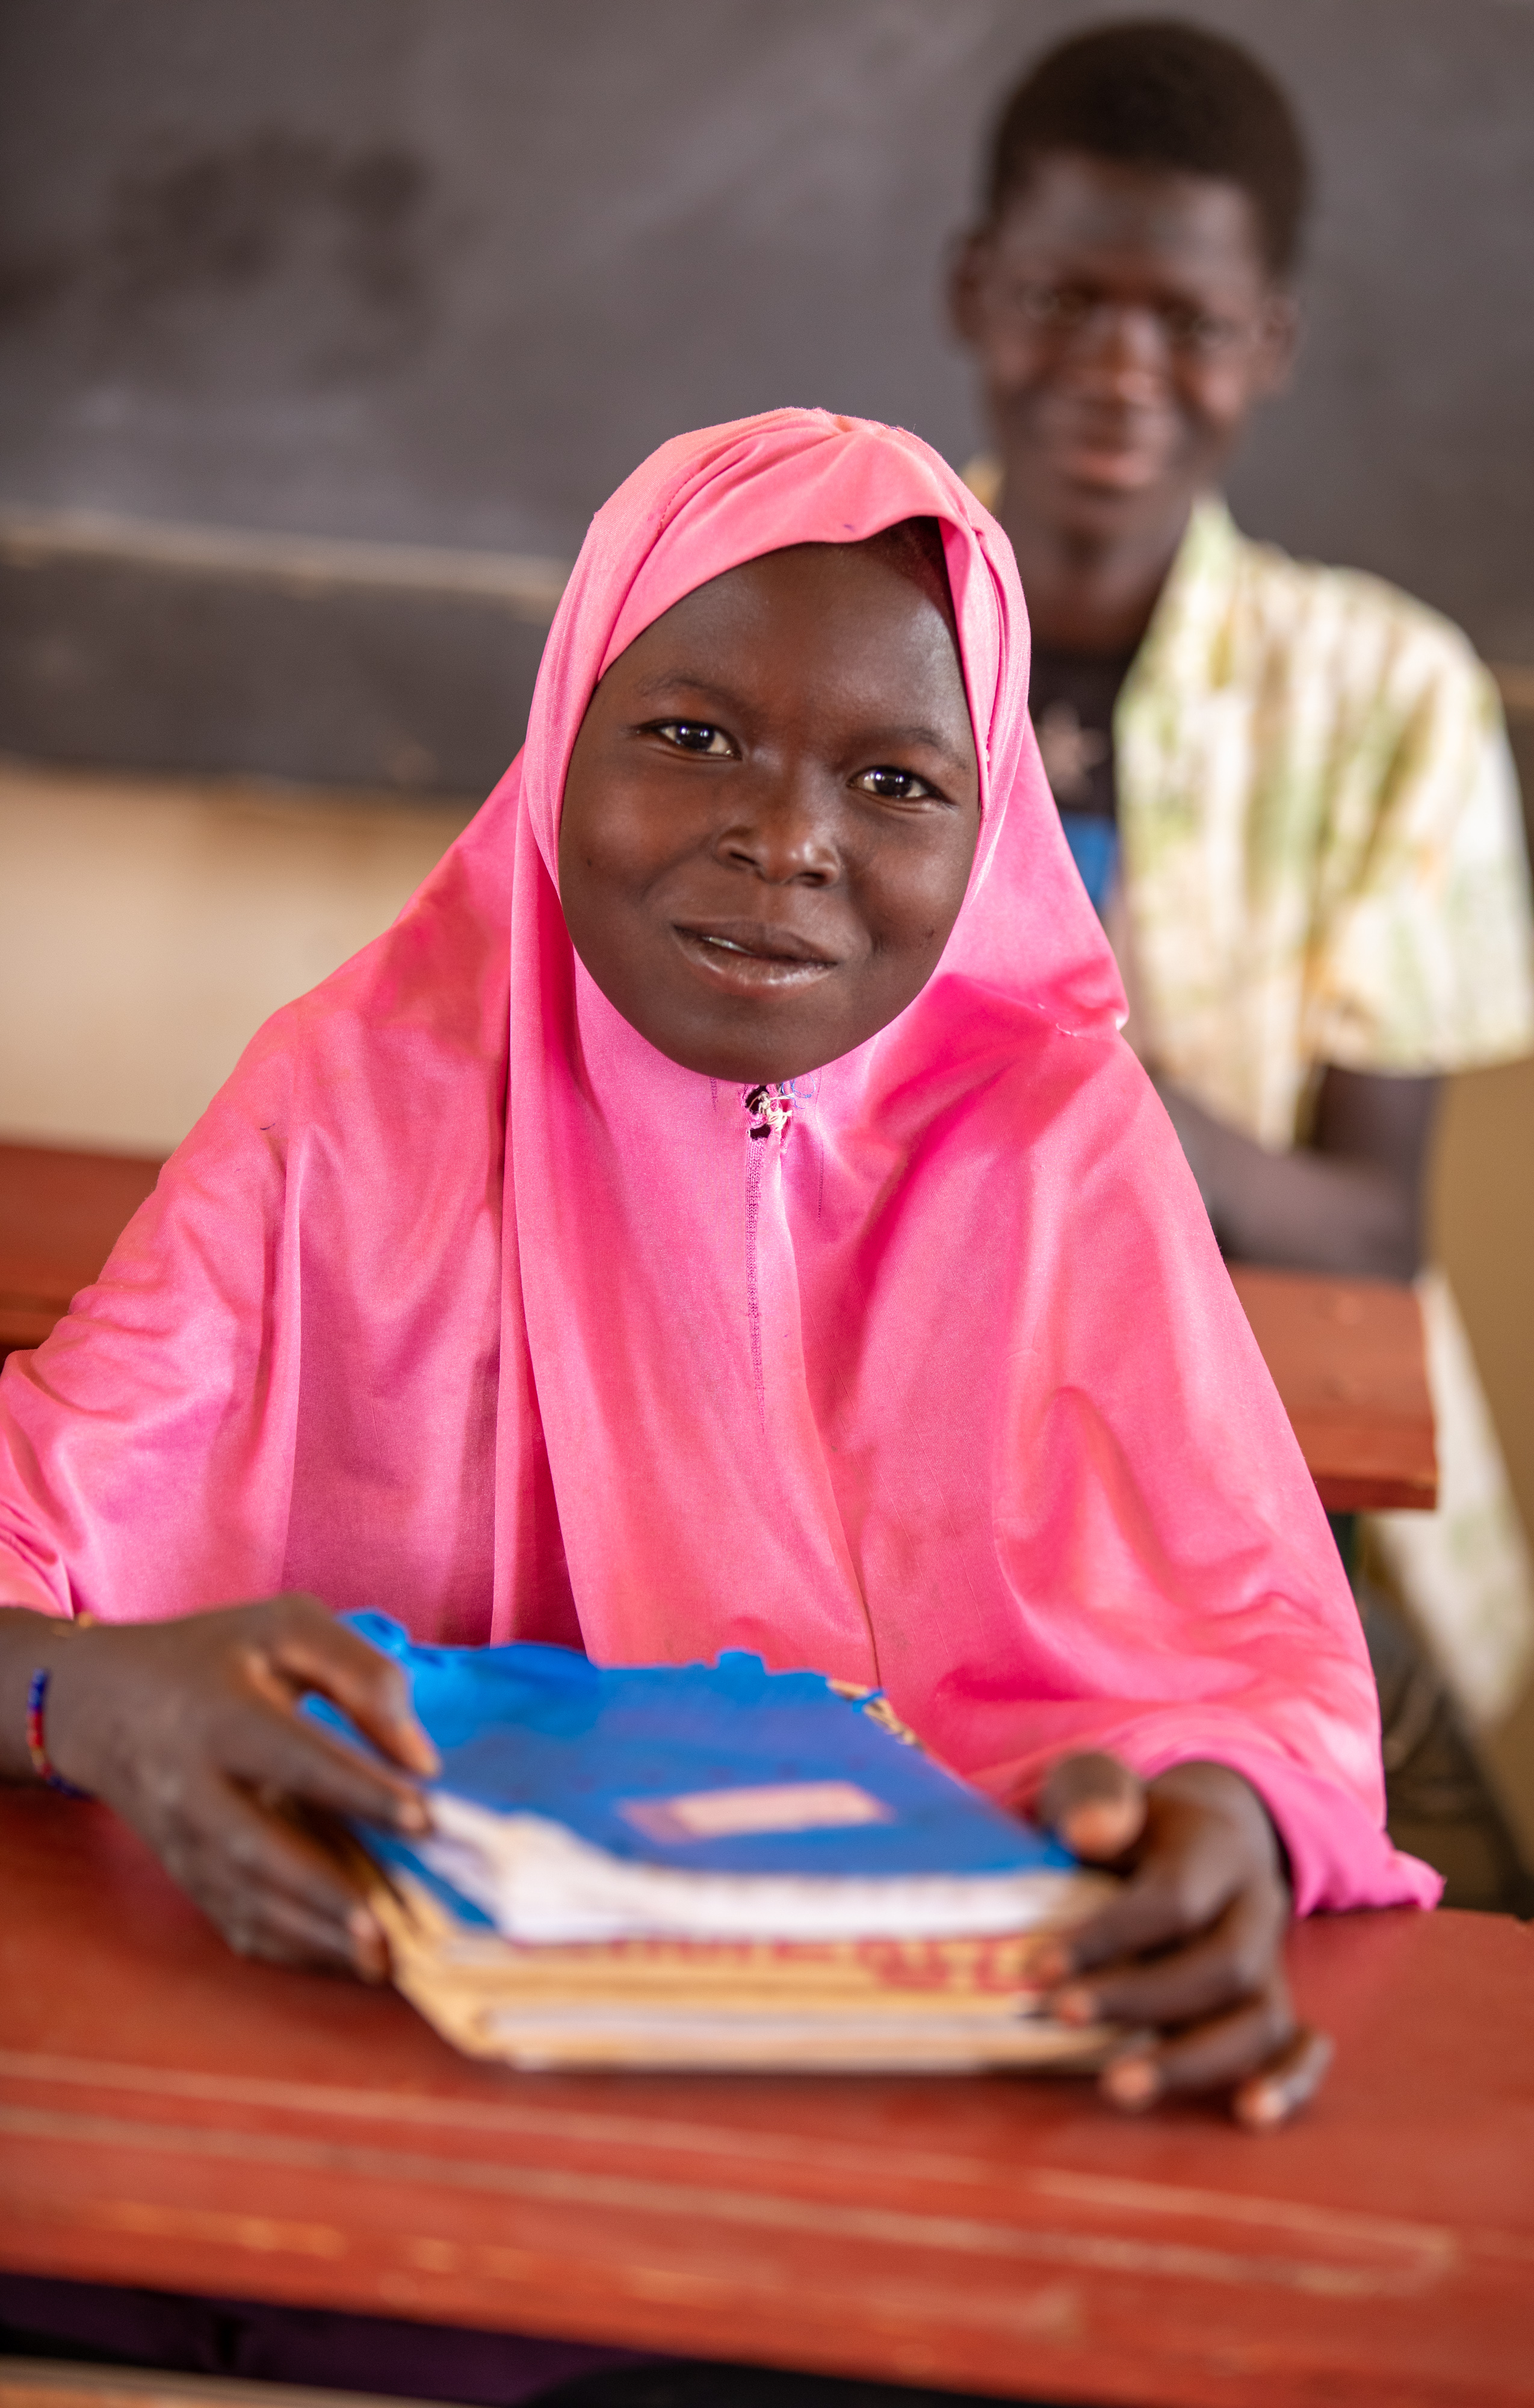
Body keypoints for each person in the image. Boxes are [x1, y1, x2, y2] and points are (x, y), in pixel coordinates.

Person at [0, 409, 1432, 2392]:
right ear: (558, 730)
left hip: (891, 2170)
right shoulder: (358, 1094)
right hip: (385, 2139)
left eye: (896, 778)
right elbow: (28, 1566)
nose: (789, 836)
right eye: (690, 735)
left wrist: (1228, 1823)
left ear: (990, 819)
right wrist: (91, 1692)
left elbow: (1250, 1653)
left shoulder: (1052, 1146)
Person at [950, 19, 1534, 1913]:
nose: (1122, 370)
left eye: (1188, 322)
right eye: (1065, 297)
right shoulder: (833, 620)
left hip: (1271, 1484)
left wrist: (1038, 1041)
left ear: (1267, 343)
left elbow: (1366, 1230)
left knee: (1406, 1956)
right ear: (976, 292)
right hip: (916, 1435)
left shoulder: (1387, 698)